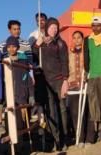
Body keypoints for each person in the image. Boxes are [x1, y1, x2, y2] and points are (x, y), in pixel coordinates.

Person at [34, 17, 69, 151]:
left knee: (62, 111)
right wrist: (37, 44)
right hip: (45, 81)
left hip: (59, 80)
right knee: (50, 112)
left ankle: (64, 138)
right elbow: (34, 55)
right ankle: (55, 140)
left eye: (56, 27)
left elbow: (65, 62)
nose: (54, 29)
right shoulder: (41, 43)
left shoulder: (60, 43)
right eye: (51, 27)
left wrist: (65, 80)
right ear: (47, 28)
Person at [67, 30, 95, 147]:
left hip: (87, 84)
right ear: (72, 40)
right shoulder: (69, 53)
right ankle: (80, 138)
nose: (77, 39)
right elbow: (67, 69)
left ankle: (89, 138)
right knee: (75, 113)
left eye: (79, 37)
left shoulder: (88, 51)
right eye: (75, 37)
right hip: (73, 85)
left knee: (89, 111)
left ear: (83, 39)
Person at [4, 36, 34, 140]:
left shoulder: (23, 61)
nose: (11, 49)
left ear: (17, 47)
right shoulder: (4, 62)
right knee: (11, 122)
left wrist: (31, 95)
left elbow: (28, 79)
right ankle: (13, 145)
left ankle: (24, 144)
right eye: (9, 47)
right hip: (10, 95)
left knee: (24, 122)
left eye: (14, 46)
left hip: (22, 95)